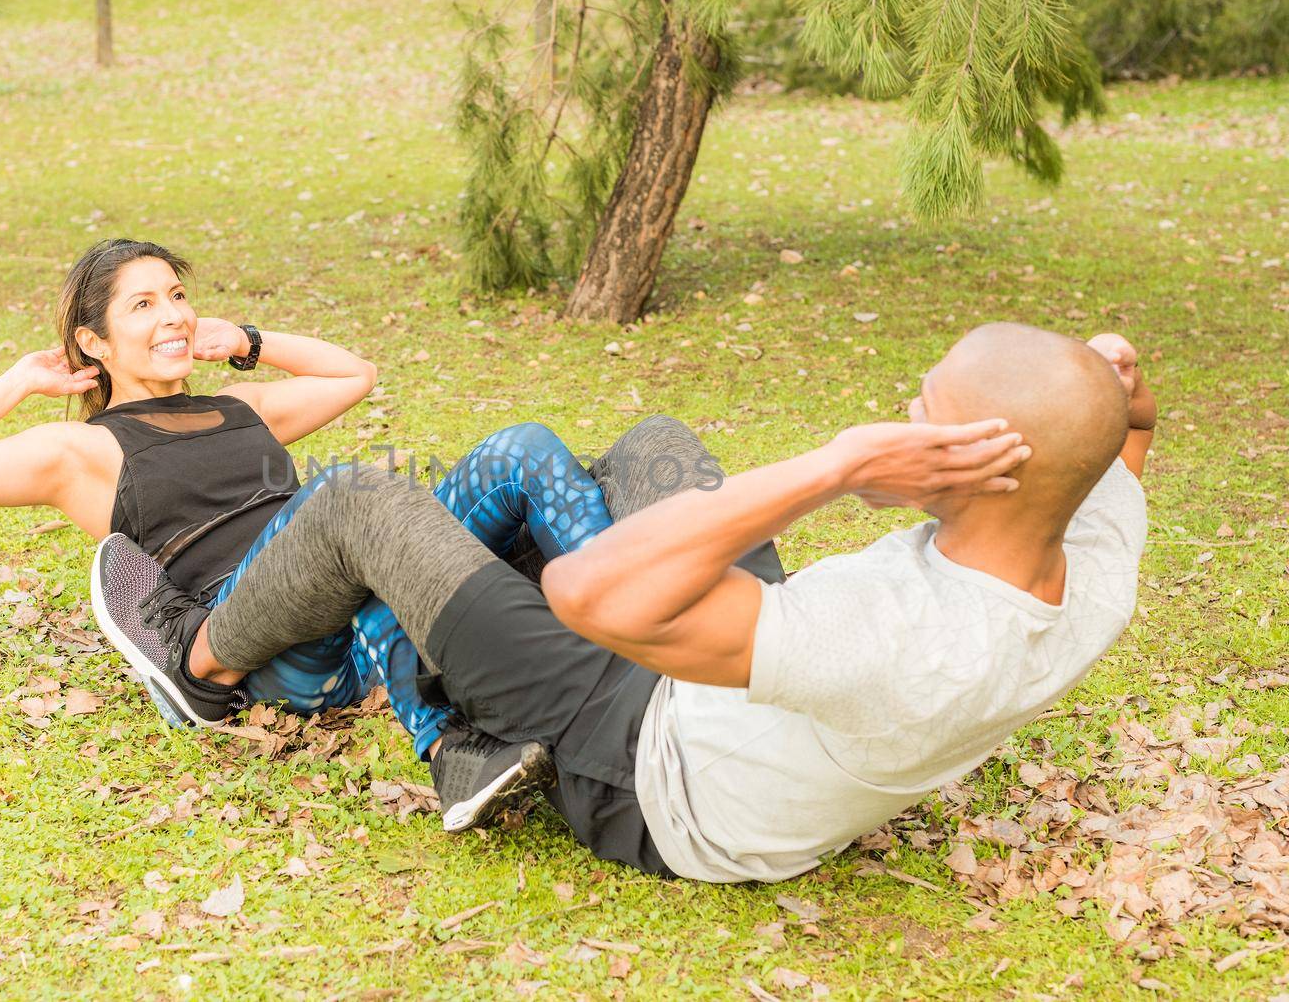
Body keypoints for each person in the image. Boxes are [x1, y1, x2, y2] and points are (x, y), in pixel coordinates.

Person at [91, 323, 1153, 877]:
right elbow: (1121, 434)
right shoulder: (1087, 558)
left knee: (362, 501)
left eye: (921, 419)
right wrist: (1111, 384)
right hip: (740, 701)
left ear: (982, 469)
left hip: (650, 771)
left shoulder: (891, 637)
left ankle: (201, 666)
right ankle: (433, 663)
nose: (900, 417)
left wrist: (837, 463)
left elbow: (588, 592)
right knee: (652, 449)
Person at [0, 239, 628, 790]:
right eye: (141, 305)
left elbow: (355, 374)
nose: (173, 315)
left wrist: (247, 342)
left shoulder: (238, 407)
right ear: (93, 341)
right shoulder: (82, 451)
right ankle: (450, 757)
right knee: (346, 495)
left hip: (356, 608)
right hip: (265, 640)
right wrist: (19, 382)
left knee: (520, 448)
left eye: (176, 295)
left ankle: (628, 616)